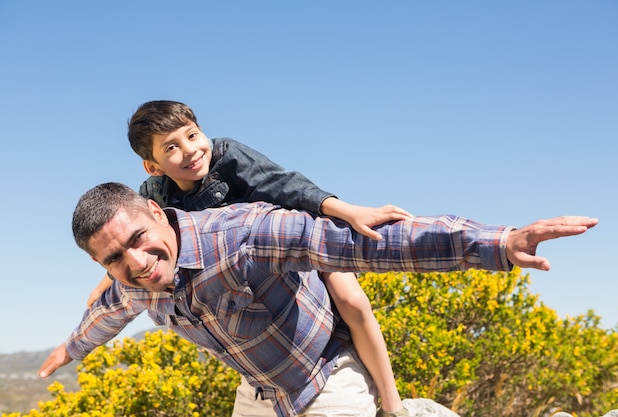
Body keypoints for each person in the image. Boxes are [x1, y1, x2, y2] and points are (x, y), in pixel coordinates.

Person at [40, 182, 597, 417]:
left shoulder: (243, 235)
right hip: (258, 394)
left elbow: (367, 245)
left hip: (325, 377)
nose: (136, 263)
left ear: (157, 214)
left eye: (138, 240)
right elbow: (106, 314)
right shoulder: (132, 283)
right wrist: (71, 348)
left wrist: (499, 242)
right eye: (114, 259)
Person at [84, 100, 412, 416]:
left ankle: (392, 402)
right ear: (153, 166)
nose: (190, 150)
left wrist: (348, 211)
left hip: (294, 241)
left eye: (193, 135)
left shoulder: (227, 156)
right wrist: (108, 281)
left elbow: (285, 185)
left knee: (351, 300)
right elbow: (134, 239)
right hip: (253, 278)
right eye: (171, 147)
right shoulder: (154, 193)